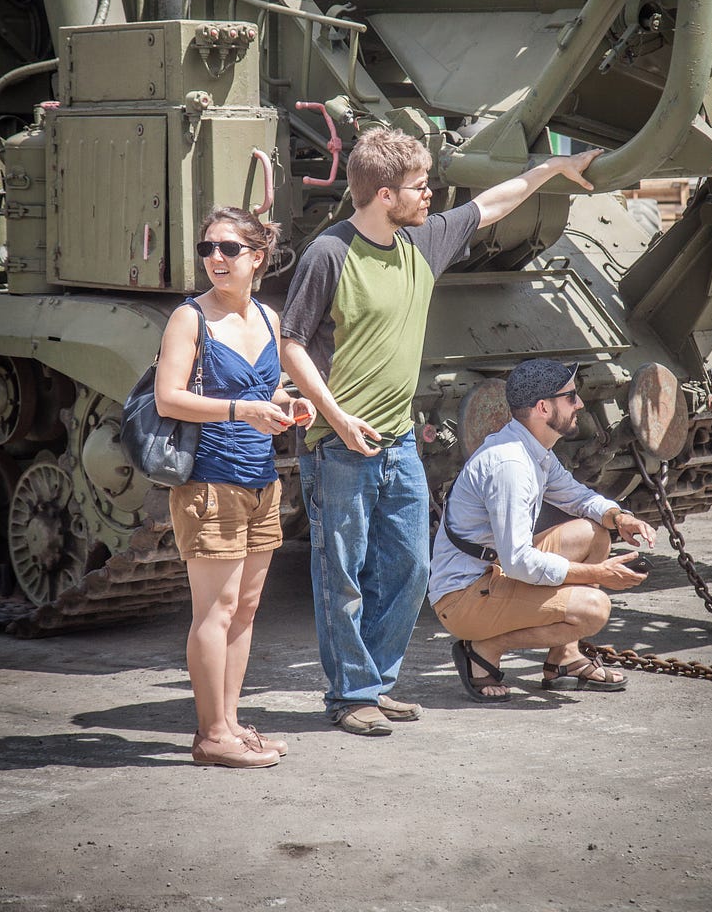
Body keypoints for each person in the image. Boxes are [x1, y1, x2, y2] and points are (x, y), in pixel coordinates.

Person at [280, 127, 603, 735]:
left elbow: (491, 204)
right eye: (419, 186)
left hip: (397, 440)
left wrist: (554, 169)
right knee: (342, 576)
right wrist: (336, 418)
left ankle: (376, 685)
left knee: (408, 569)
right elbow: (291, 344)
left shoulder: (421, 241)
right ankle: (351, 695)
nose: (429, 195)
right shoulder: (329, 253)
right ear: (383, 195)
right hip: (339, 446)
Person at [155, 206, 315, 768]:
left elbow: (265, 391)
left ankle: (230, 722)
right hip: (210, 481)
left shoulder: (268, 318)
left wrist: (288, 404)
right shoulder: (190, 318)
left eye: (228, 248)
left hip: (260, 481)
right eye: (207, 249)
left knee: (245, 609)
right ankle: (211, 735)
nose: (215, 258)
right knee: (215, 611)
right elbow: (168, 398)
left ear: (257, 257)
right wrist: (239, 410)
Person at [428, 357, 657, 701]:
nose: (580, 404)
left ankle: (565, 658)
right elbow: (519, 561)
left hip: (495, 570)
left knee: (594, 532)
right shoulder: (511, 466)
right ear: (543, 408)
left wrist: (618, 517)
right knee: (594, 609)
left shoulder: (533, 450)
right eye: (571, 397)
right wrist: (597, 574)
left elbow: (578, 497)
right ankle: (484, 648)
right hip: (463, 597)